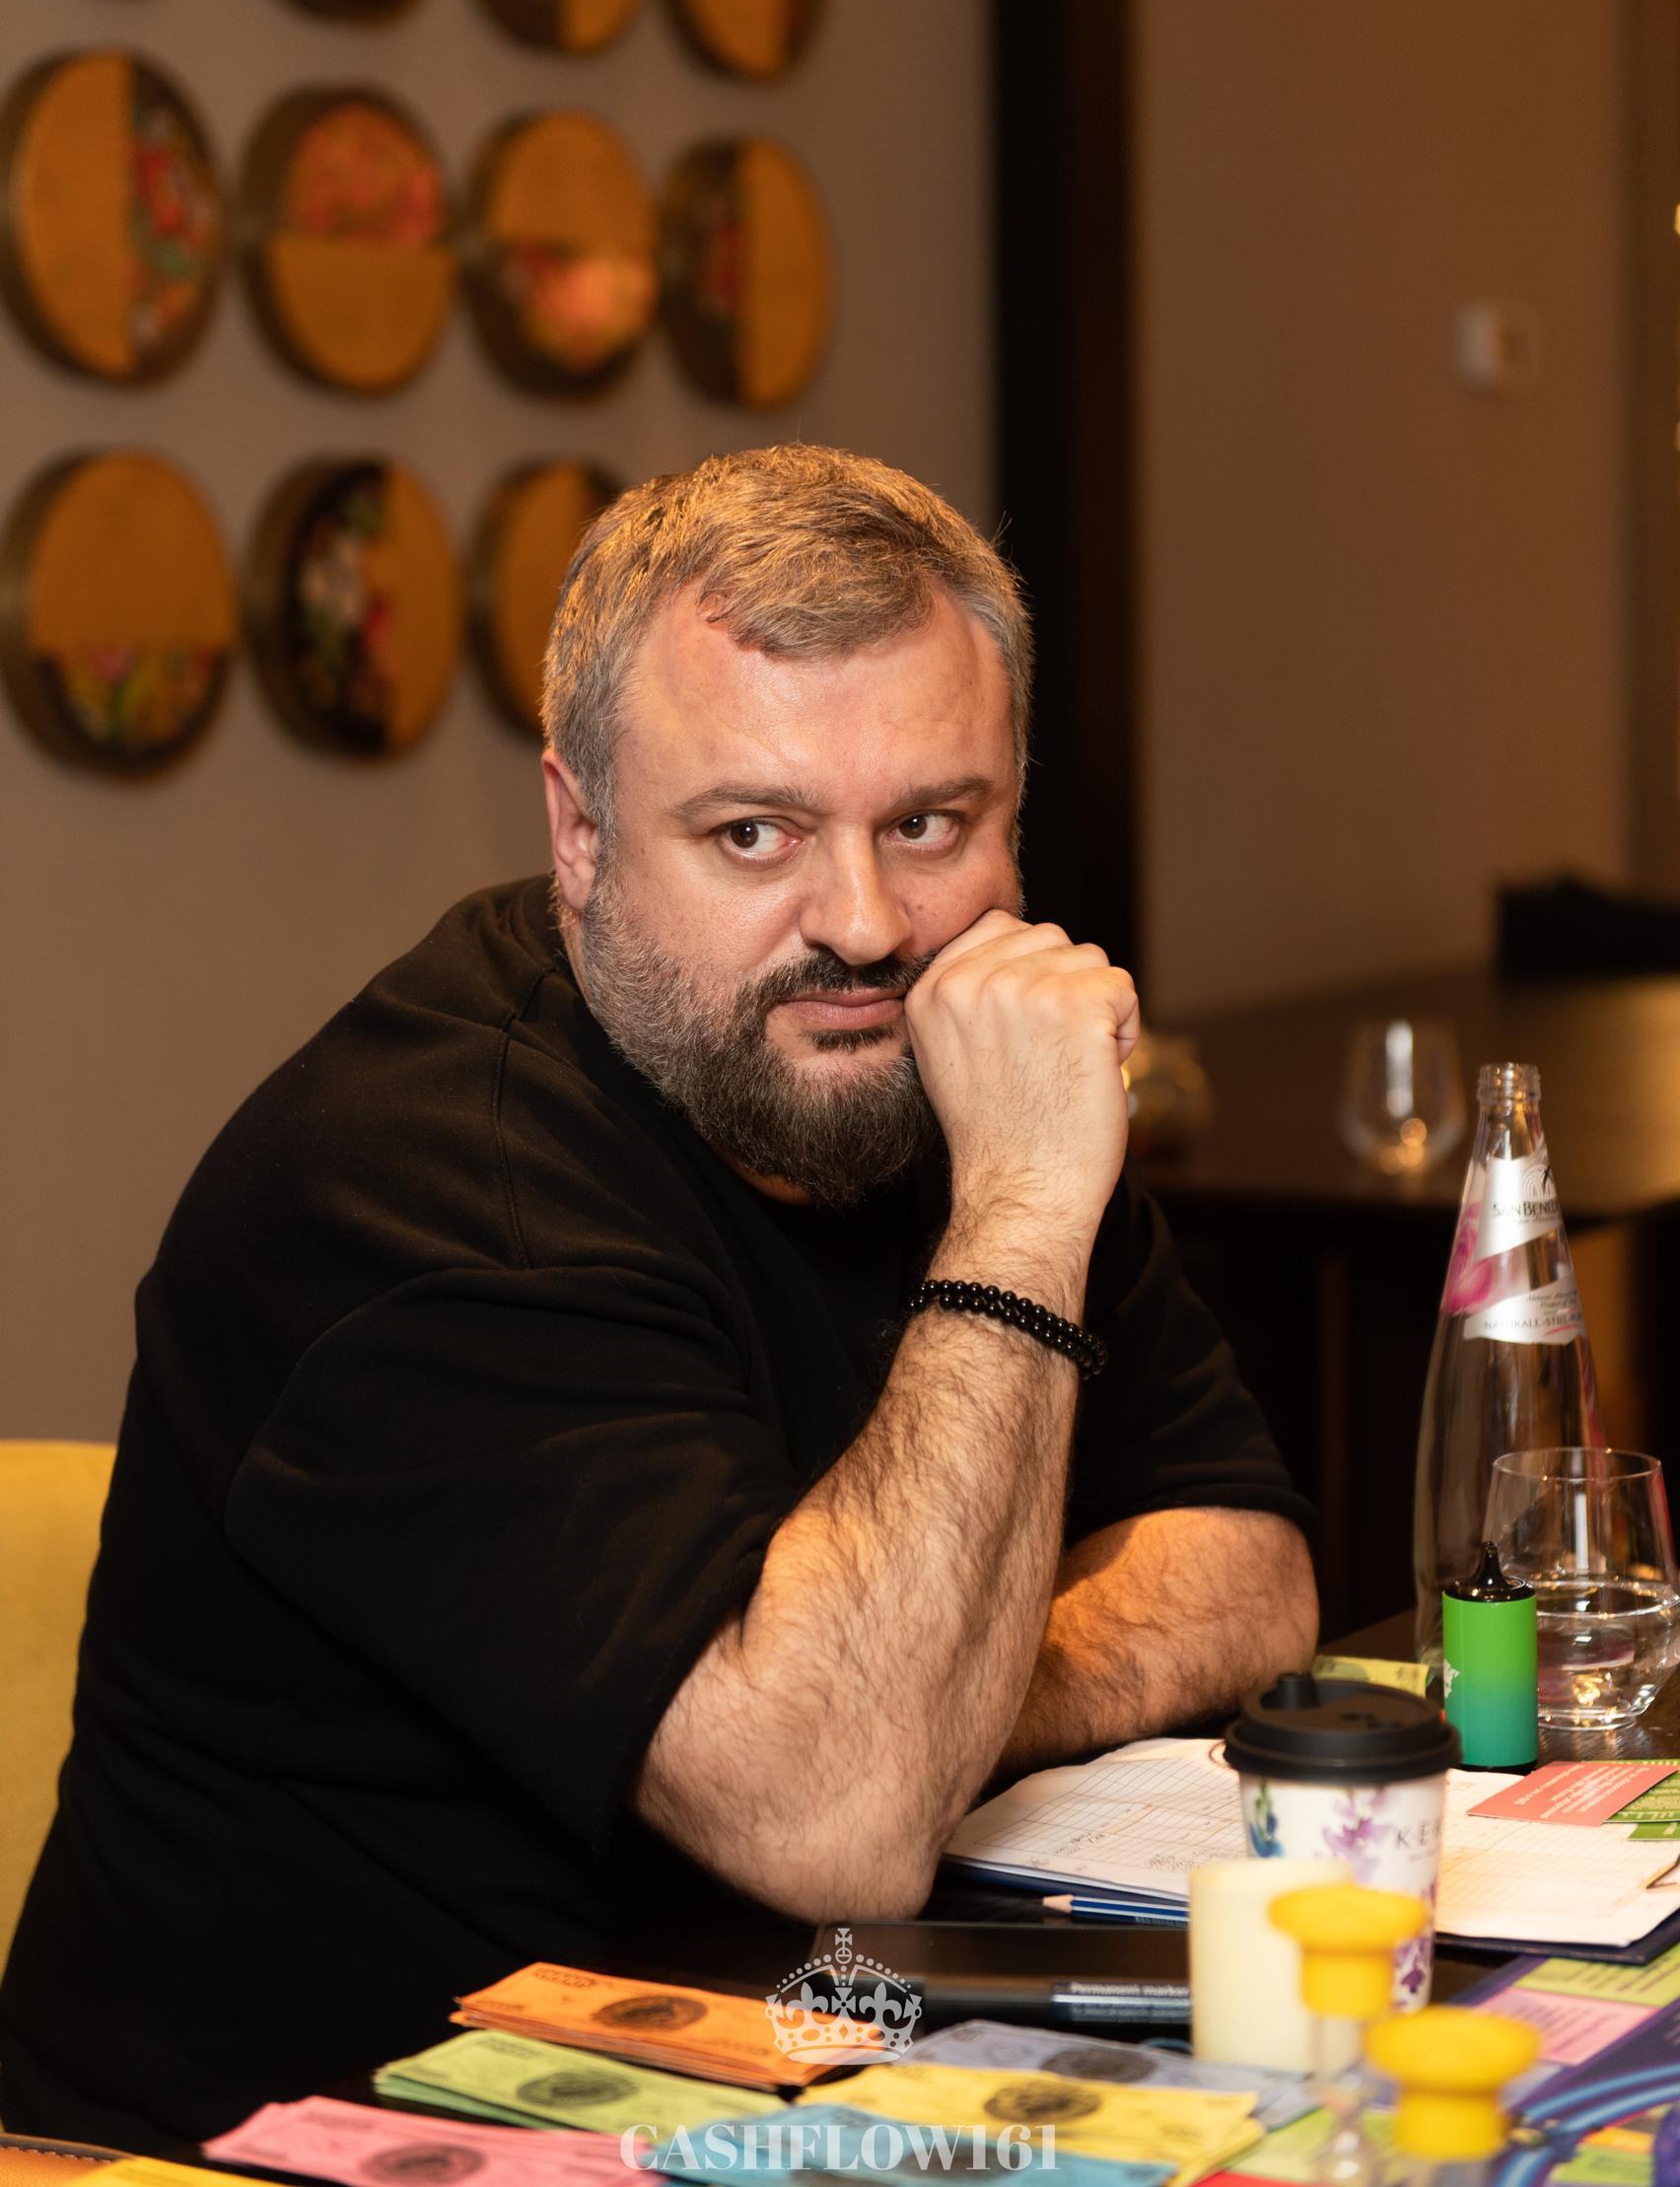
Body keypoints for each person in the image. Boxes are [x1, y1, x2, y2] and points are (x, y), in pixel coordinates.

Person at [0, 444, 1316, 2152]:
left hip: (775, 2064)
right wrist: (1017, 1219)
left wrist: (958, 1686)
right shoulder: (416, 1192)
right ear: (581, 834)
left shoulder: (955, 1069)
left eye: (929, 825)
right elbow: (844, 1812)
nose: (865, 927)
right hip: (304, 2145)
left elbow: (1253, 1566)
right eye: (754, 834)